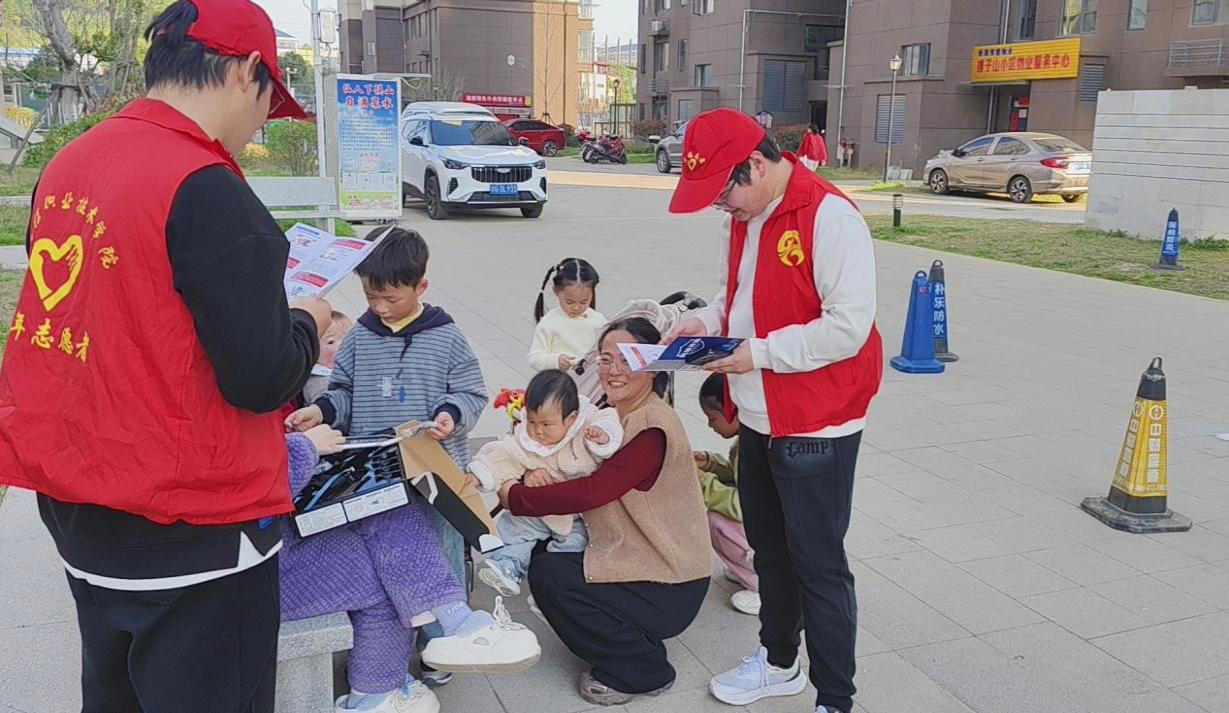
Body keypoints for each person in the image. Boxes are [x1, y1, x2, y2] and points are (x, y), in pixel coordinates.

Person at [0, 1, 333, 710]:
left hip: (83, 509)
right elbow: (261, 377)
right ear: (246, 71)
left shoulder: (71, 162)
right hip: (190, 524)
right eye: (269, 103)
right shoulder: (204, 184)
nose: (258, 129)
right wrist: (308, 319)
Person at [666, 107, 883, 713]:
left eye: (723, 193)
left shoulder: (830, 218)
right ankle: (780, 662)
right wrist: (701, 323)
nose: (721, 207)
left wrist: (754, 353)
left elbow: (848, 327)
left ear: (756, 165)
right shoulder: (744, 217)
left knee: (819, 562)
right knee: (770, 549)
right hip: (758, 415)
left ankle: (834, 697)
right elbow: (734, 298)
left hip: (818, 421)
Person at [285, 227, 484, 686]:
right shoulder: (360, 337)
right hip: (375, 473)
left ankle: (442, 645)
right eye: (371, 296)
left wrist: (452, 414)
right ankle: (392, 642)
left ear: (421, 287)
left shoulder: (448, 338)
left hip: (434, 473)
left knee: (440, 555)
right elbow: (343, 393)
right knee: (389, 556)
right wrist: (320, 410)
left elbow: (471, 392)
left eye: (391, 298)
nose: (379, 307)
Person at [497, 318, 711, 706]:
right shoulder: (610, 413)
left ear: (654, 365)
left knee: (549, 575)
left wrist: (517, 498)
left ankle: (644, 668)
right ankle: (623, 636)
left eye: (628, 359)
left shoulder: (652, 426)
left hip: (669, 581)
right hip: (637, 557)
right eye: (606, 358)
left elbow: (593, 491)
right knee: (545, 550)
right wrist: (530, 472)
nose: (613, 370)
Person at [281, 427, 541, 713]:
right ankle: (450, 627)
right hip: (258, 570)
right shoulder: (242, 405)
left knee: (386, 503)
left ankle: (381, 686)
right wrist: (304, 447)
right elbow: (251, 482)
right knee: (386, 569)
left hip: (270, 541)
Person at [464, 369, 622, 597]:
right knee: (514, 528)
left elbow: (608, 419)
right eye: (532, 421)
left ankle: (556, 585)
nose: (538, 431)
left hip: (576, 516)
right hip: (538, 511)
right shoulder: (526, 440)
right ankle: (508, 565)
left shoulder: (585, 429)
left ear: (571, 418)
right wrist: (481, 473)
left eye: (547, 424)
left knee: (575, 545)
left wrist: (603, 436)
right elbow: (504, 455)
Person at [694, 373, 760, 617]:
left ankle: (765, 586)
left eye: (713, 418)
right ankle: (748, 567)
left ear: (734, 411)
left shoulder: (754, 448)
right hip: (773, 527)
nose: (710, 425)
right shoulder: (750, 438)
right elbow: (738, 475)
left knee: (717, 521)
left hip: (774, 531)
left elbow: (747, 506)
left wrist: (705, 482)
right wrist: (710, 464)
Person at [528, 258, 606, 373]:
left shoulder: (599, 321)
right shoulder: (549, 322)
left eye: (584, 302)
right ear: (556, 292)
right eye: (569, 302)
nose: (576, 308)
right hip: (560, 381)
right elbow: (534, 358)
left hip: (590, 381)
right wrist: (556, 360)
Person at [303, 310, 354, 404]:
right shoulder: (318, 380)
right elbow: (327, 403)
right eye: (331, 342)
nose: (343, 345)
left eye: (349, 338)